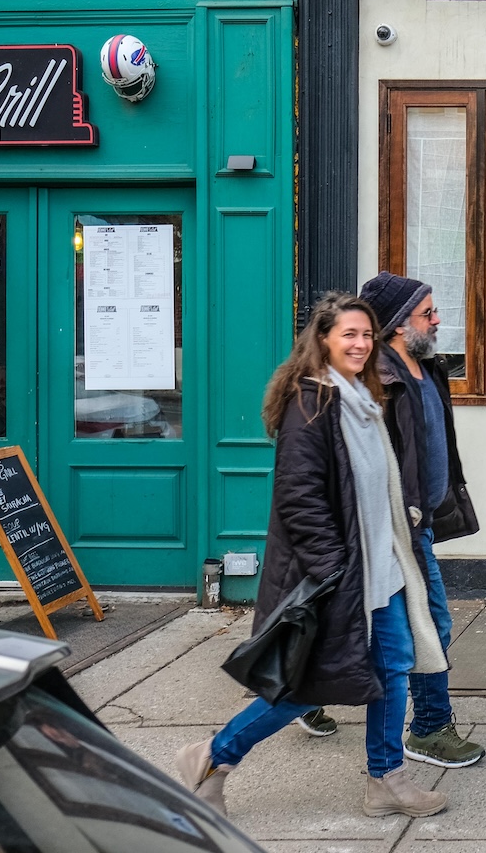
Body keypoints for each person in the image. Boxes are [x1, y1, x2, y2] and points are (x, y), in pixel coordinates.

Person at [174, 292, 450, 819]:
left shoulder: (362, 399)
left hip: (381, 570)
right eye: (349, 334)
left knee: (393, 668)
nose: (361, 344)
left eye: (367, 335)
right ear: (323, 339)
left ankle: (386, 779)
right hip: (341, 577)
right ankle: (213, 757)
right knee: (309, 685)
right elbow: (300, 502)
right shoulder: (313, 404)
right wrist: (333, 572)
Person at [298, 272, 485, 769]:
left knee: (369, 623)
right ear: (400, 324)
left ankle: (302, 689)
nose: (438, 319)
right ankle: (428, 728)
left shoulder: (426, 367)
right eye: (428, 313)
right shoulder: (376, 377)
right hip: (396, 523)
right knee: (431, 623)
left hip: (420, 517)